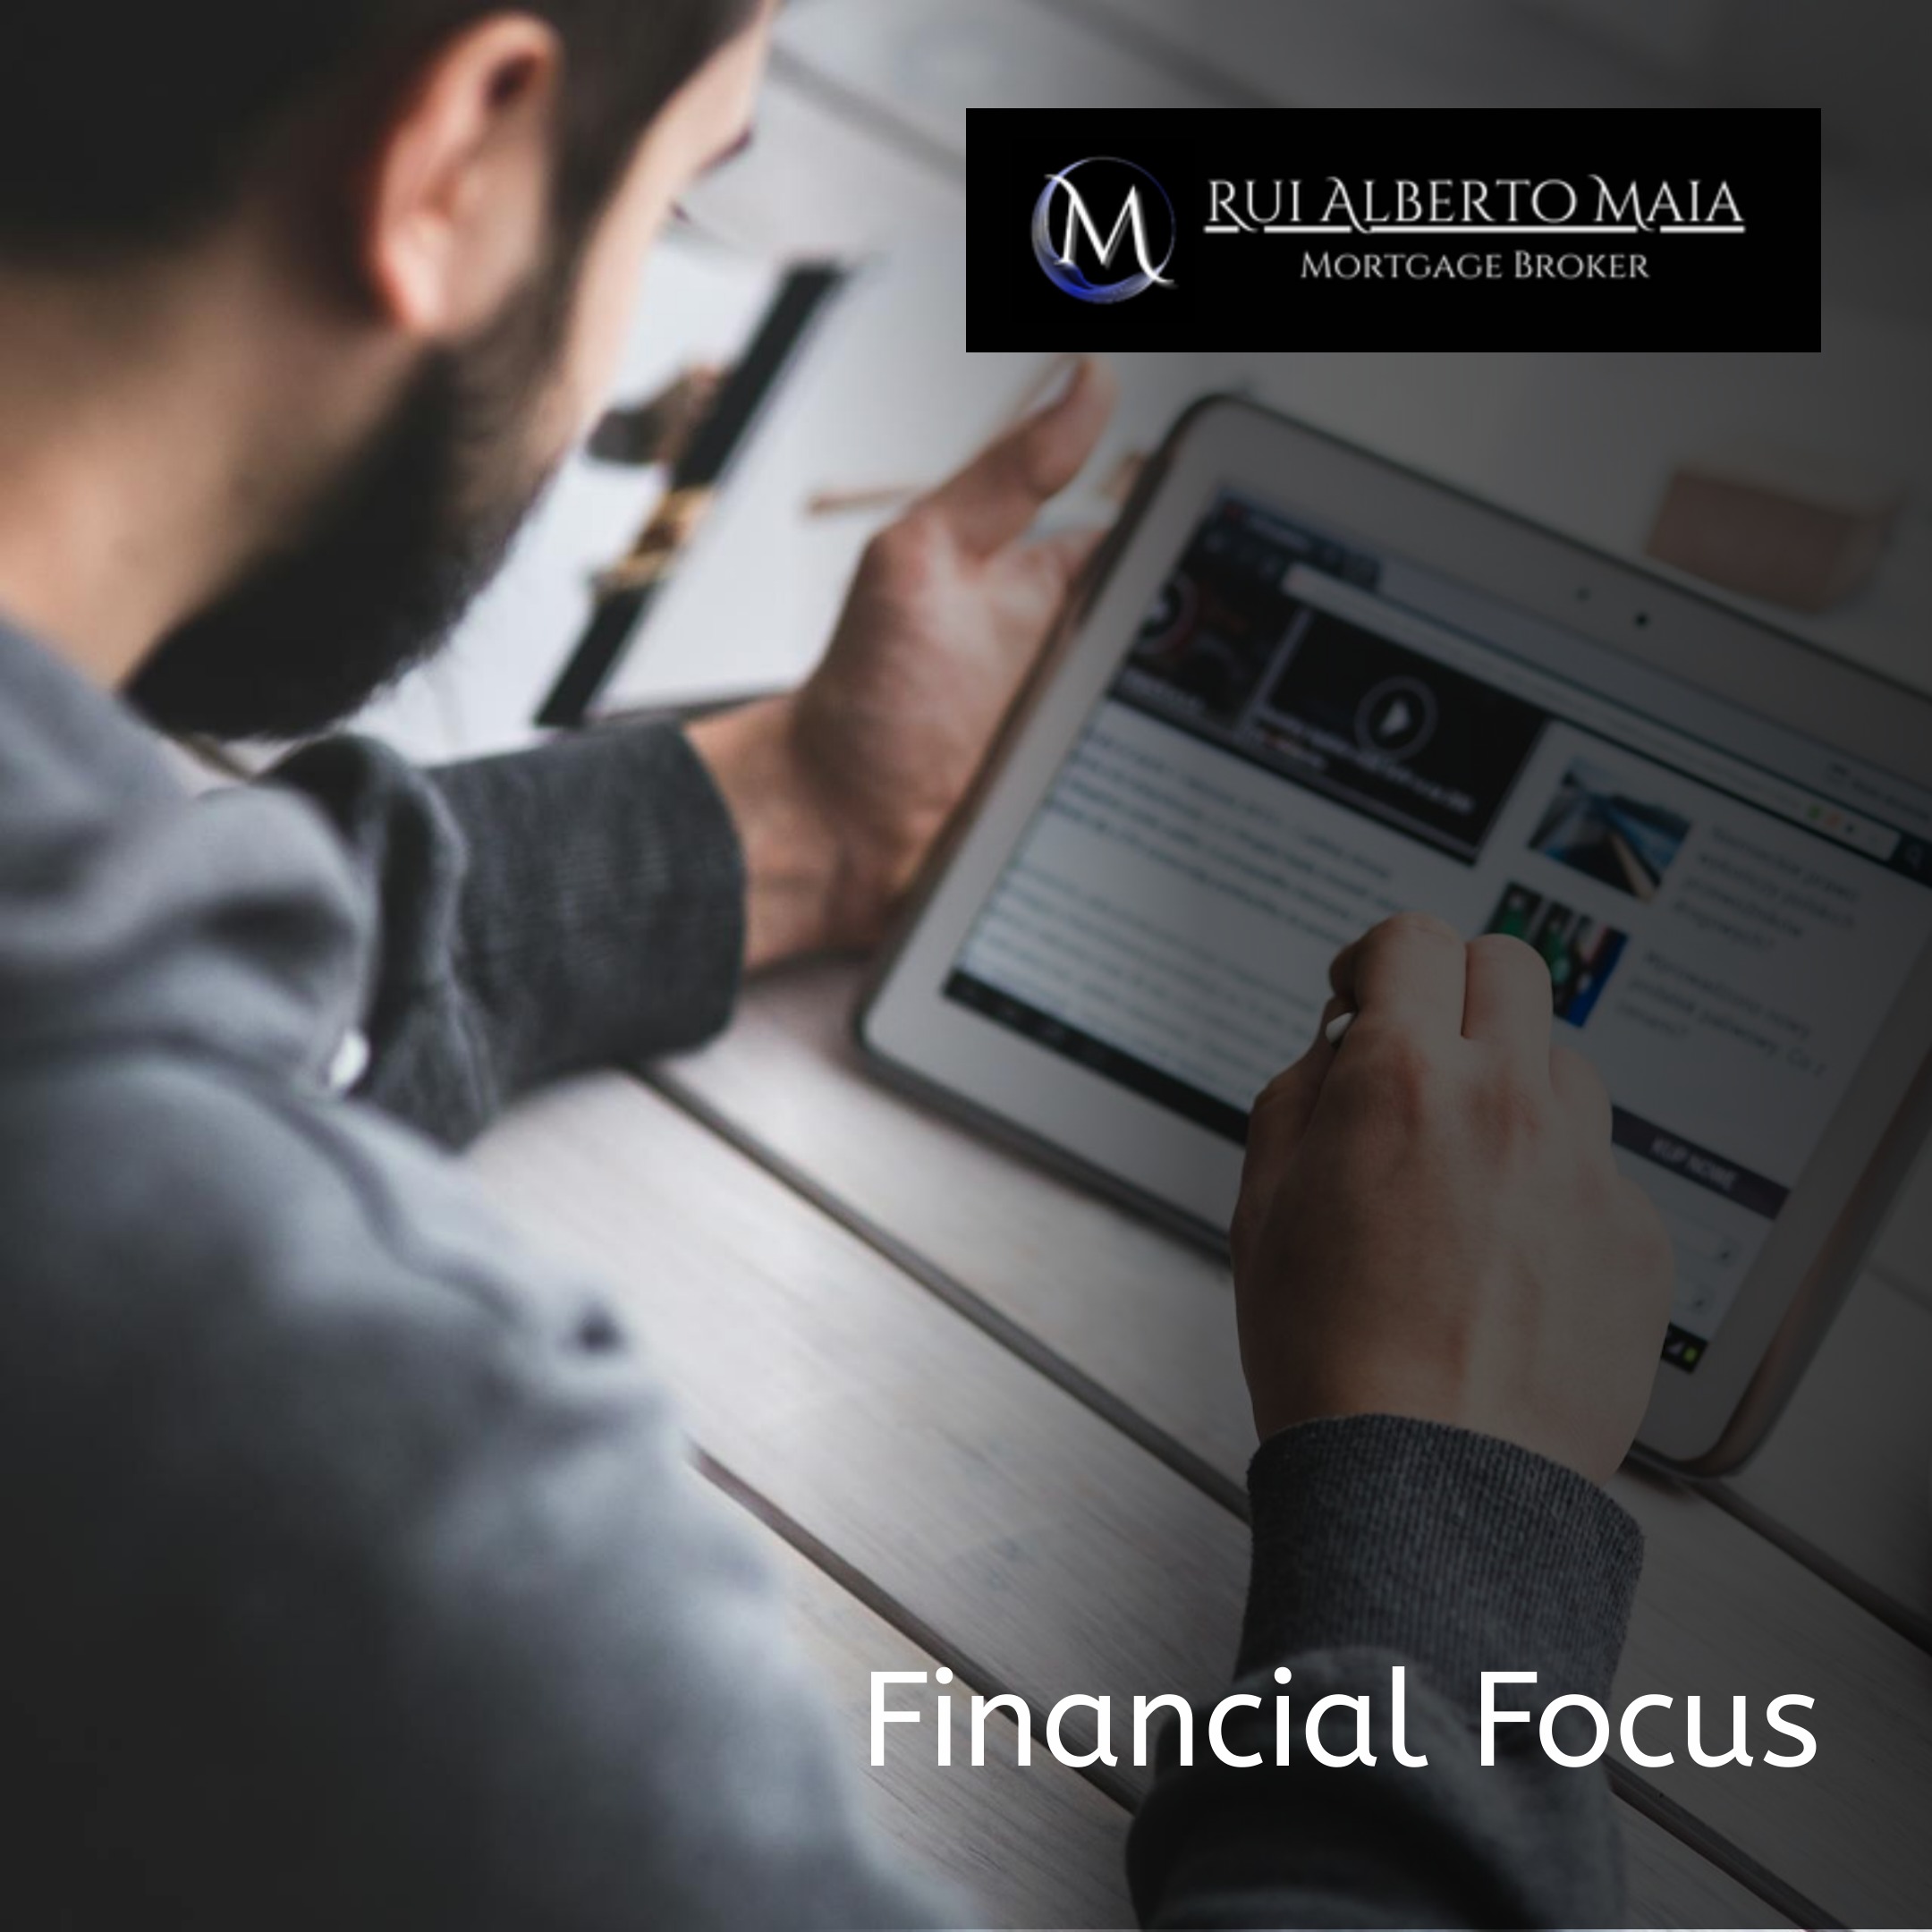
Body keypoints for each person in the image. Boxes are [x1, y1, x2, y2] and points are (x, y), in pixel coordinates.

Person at [0, 3, 1674, 1926]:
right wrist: (1451, 1524)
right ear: (462, 150)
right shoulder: (356, 1484)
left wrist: (780, 818)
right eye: (678, 192)